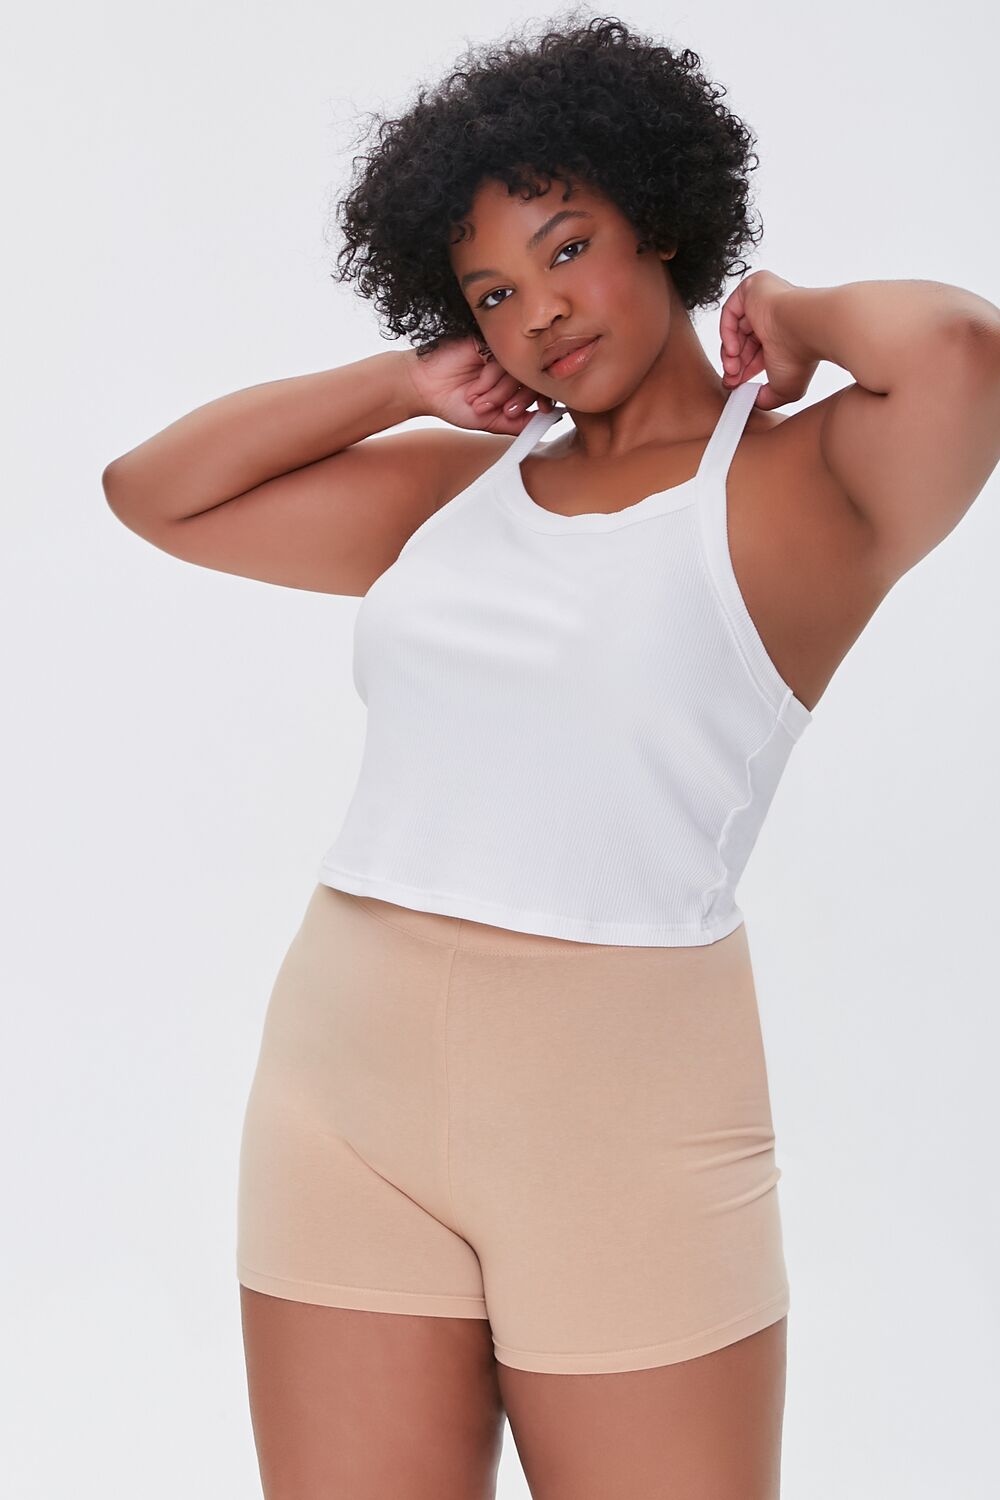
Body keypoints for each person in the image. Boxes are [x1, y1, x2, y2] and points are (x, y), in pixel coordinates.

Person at [101, 15, 1000, 1499]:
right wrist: (405, 384)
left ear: (662, 218)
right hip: (344, 1082)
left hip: (624, 1114)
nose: (540, 314)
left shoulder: (802, 482)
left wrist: (788, 309)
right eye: (493, 293)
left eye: (568, 248)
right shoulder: (457, 492)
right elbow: (156, 495)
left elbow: (963, 351)